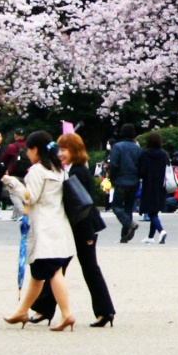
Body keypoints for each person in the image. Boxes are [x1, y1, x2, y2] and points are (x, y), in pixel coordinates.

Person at [32, 133, 115, 327]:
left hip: (81, 229)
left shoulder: (77, 172)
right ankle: (104, 311)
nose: (60, 153)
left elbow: (83, 205)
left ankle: (44, 310)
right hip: (80, 228)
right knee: (65, 269)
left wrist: (87, 234)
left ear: (75, 150)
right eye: (59, 149)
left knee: (66, 269)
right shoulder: (77, 170)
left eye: (64, 149)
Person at [2, 131, 76, 332]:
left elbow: (30, 197)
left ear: (35, 149)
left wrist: (12, 183)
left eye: (28, 149)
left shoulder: (37, 171)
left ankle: (67, 313)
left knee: (52, 272)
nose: (27, 153)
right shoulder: (59, 170)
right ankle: (22, 310)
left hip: (44, 229)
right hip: (59, 227)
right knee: (38, 275)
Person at [109, 123, 142, 242]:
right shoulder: (138, 149)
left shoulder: (117, 147)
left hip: (120, 181)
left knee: (116, 206)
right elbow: (140, 166)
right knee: (128, 208)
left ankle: (129, 224)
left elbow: (114, 164)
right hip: (134, 181)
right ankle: (124, 235)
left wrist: (111, 178)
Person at [138, 130, 170, 244]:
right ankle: (151, 237)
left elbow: (142, 171)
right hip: (161, 185)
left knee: (150, 212)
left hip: (149, 184)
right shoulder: (164, 154)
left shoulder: (145, 154)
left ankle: (161, 231)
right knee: (154, 211)